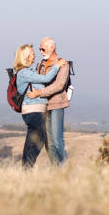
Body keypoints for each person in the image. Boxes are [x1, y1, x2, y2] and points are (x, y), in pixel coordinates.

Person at [13, 43, 66, 169]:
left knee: (31, 140)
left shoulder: (28, 72)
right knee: (39, 139)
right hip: (33, 111)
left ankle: (26, 169)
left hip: (35, 111)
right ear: (25, 57)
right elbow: (46, 78)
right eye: (32, 54)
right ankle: (28, 167)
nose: (35, 56)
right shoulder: (24, 73)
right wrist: (57, 66)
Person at [27, 37, 70, 165]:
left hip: (57, 105)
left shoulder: (63, 64)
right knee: (49, 143)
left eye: (43, 48)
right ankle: (57, 171)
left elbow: (59, 85)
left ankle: (66, 170)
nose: (40, 51)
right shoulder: (40, 64)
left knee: (57, 140)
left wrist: (39, 93)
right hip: (43, 105)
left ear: (52, 48)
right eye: (39, 49)